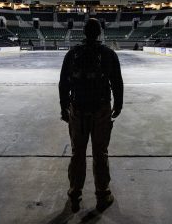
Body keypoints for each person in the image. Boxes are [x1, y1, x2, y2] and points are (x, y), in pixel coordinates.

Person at [58, 18, 123, 213]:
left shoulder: (73, 53)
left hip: (77, 109)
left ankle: (75, 193)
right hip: (101, 110)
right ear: (100, 33)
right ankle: (102, 194)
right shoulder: (109, 54)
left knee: (77, 152)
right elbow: (117, 82)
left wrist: (64, 107)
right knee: (100, 153)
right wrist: (118, 104)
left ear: (84, 32)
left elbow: (63, 83)